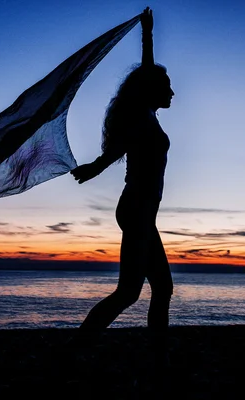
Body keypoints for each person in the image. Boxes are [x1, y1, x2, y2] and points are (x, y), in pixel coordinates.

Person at [69, 7, 175, 365]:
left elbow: (147, 69)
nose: (173, 92)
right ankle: (80, 348)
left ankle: (157, 353)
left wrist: (148, 33)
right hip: (137, 208)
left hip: (143, 210)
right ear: (153, 90)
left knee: (161, 288)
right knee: (130, 291)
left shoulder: (147, 114)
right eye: (168, 86)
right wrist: (95, 168)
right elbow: (118, 148)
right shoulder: (140, 120)